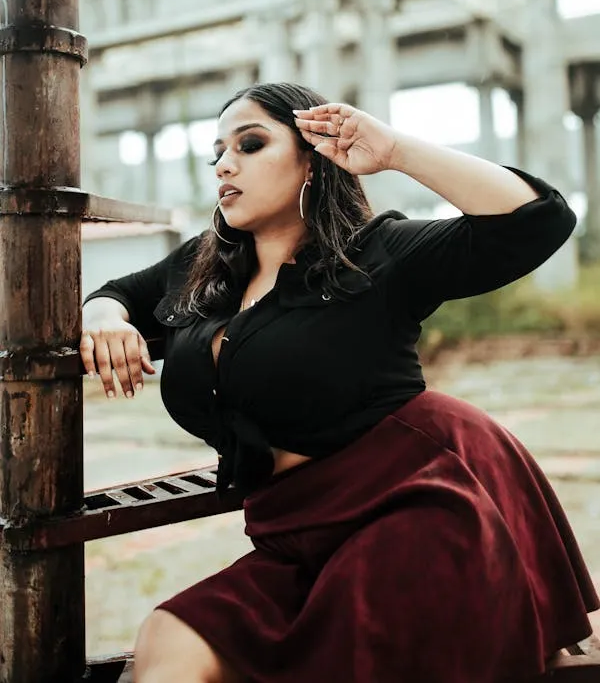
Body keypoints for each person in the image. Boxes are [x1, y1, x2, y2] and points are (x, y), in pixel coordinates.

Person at [81, 82, 599, 683]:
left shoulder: (376, 254)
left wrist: (395, 150)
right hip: (289, 529)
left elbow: (539, 220)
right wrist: (102, 318)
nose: (225, 163)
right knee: (170, 639)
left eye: (250, 145)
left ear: (312, 160)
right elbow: (117, 293)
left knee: (359, 649)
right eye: (217, 152)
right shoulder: (204, 266)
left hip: (409, 500)